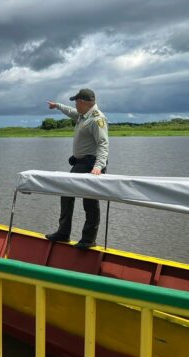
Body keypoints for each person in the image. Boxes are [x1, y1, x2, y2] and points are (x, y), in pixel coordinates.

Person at [45, 88, 109, 249]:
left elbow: (103, 144)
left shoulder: (97, 119)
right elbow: (70, 112)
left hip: (92, 164)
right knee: (66, 194)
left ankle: (88, 239)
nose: (74, 105)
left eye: (76, 101)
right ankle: (63, 233)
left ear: (82, 102)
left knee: (90, 202)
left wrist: (99, 167)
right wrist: (57, 106)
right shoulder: (82, 116)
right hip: (80, 164)